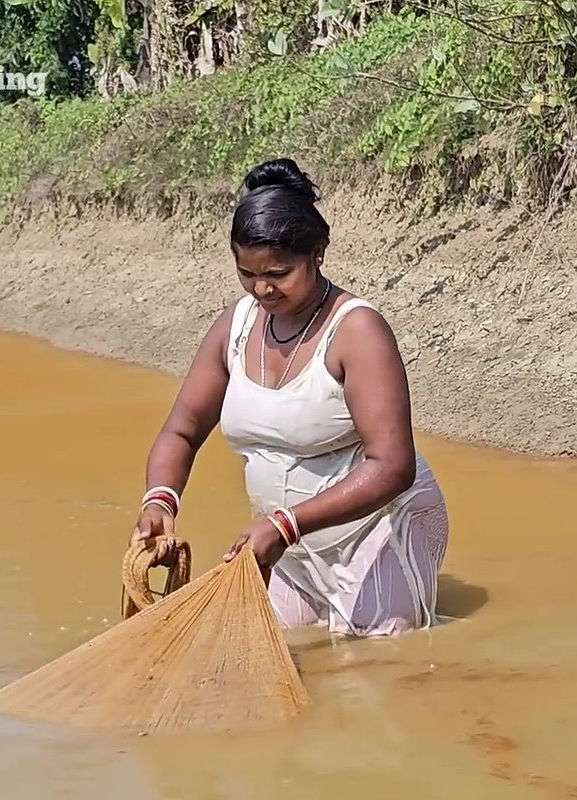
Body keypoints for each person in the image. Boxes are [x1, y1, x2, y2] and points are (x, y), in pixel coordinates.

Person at [129, 158, 450, 638]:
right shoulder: (235, 328)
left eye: (278, 273)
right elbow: (182, 431)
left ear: (317, 253)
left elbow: (392, 465)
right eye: (246, 273)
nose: (262, 289)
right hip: (287, 538)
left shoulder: (356, 330)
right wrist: (160, 502)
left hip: (377, 526)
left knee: (375, 662)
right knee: (271, 643)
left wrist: (285, 526)